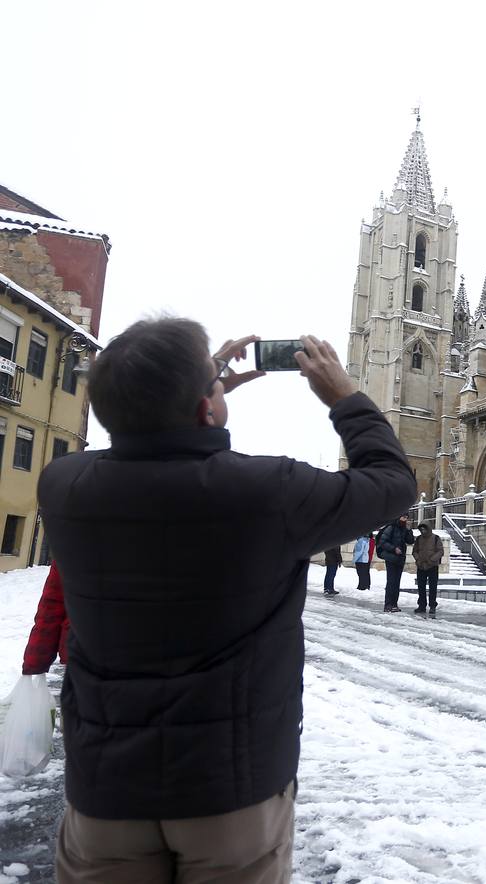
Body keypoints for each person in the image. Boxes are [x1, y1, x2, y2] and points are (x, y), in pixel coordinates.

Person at [38, 319, 415, 883]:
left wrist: (191, 390)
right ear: (206, 409)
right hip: (231, 789)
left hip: (106, 788)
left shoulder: (63, 486)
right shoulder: (269, 492)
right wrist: (344, 397)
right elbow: (392, 482)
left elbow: (141, 436)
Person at [22, 564, 69, 677]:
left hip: (82, 653)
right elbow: (52, 605)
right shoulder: (74, 549)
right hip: (83, 657)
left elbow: (52, 605)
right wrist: (35, 662)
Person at [376, 513, 415, 612]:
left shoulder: (404, 529)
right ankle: (388, 604)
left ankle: (394, 604)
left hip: (400, 559)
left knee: (397, 582)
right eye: (403, 517)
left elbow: (410, 541)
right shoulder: (391, 527)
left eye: (406, 518)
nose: (405, 520)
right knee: (391, 581)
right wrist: (394, 549)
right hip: (391, 558)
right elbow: (383, 542)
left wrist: (409, 529)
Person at [411, 523, 444, 616]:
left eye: (424, 529)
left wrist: (431, 560)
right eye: (421, 529)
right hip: (421, 566)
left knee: (433, 587)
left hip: (432, 566)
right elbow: (414, 551)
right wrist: (418, 559)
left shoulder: (436, 538)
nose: (422, 531)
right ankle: (422, 605)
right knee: (421, 587)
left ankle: (432, 606)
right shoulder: (418, 539)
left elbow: (440, 551)